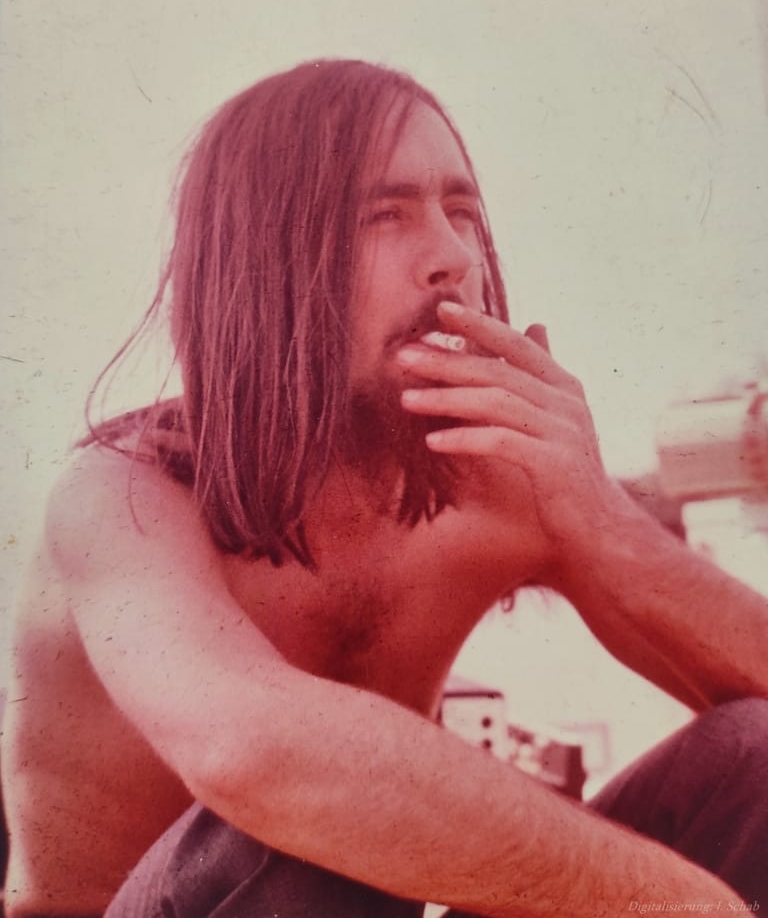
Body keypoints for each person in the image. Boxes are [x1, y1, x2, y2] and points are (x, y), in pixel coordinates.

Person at [2, 59, 766, 918]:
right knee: (326, 801)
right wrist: (672, 901)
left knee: (757, 755)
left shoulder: (496, 486)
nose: (451, 257)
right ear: (266, 259)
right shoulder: (122, 495)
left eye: (462, 212)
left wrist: (599, 516)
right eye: (386, 215)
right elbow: (253, 754)